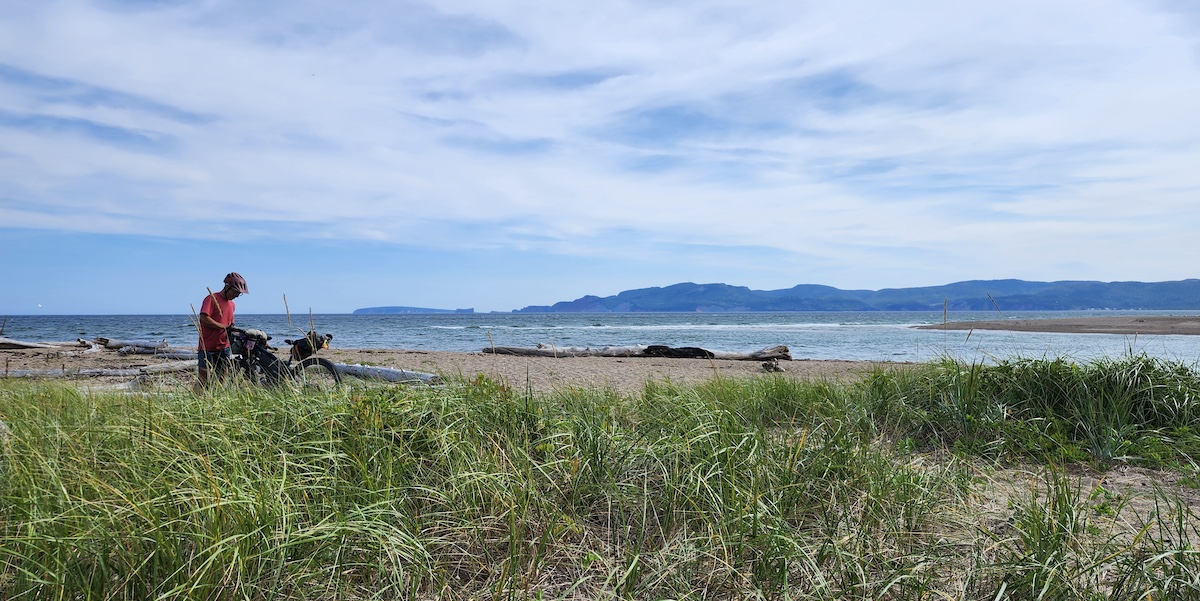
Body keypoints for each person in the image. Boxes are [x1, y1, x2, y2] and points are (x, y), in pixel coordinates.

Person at [196, 272, 249, 389]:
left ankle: (216, 399)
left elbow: (230, 323)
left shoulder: (232, 305)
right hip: (207, 346)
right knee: (203, 378)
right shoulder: (211, 299)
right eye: (235, 292)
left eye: (238, 294)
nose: (236, 296)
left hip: (223, 346)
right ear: (227, 287)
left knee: (222, 377)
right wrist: (223, 326)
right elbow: (204, 318)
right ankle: (196, 400)